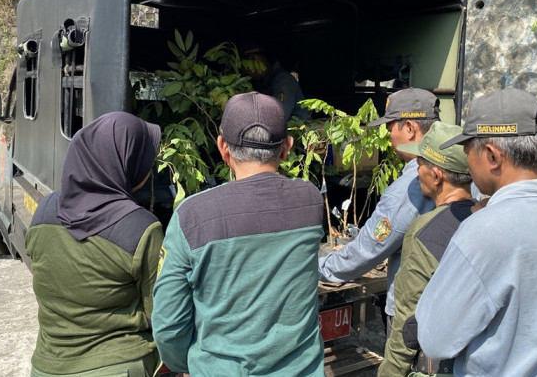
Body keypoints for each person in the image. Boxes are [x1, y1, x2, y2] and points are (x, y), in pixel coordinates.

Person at [415, 88, 537, 376]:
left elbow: (435, 339)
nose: (468, 161)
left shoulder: (483, 230)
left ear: (493, 156)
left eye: (468, 150)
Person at [152, 91, 325, 376]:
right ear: (287, 148)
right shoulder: (309, 201)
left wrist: (187, 364)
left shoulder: (192, 215)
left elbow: (169, 323)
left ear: (223, 147)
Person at [25, 112, 163, 377]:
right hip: (120, 366)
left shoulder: (44, 212)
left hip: (47, 366)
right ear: (127, 162)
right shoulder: (141, 228)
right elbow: (159, 314)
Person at [318, 88, 438, 335]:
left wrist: (321, 267)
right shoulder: (460, 170)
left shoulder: (410, 185)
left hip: (413, 312)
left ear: (409, 128)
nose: (388, 135)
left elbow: (367, 251)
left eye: (390, 126)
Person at [379, 122, 475, 377]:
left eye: (420, 164)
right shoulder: (483, 218)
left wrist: (390, 372)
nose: (417, 171)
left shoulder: (424, 232)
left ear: (436, 175)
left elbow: (409, 321)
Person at [243, 47, 309, 121]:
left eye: (245, 66)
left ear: (253, 59)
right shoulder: (263, 82)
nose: (246, 71)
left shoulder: (283, 80)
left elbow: (279, 118)